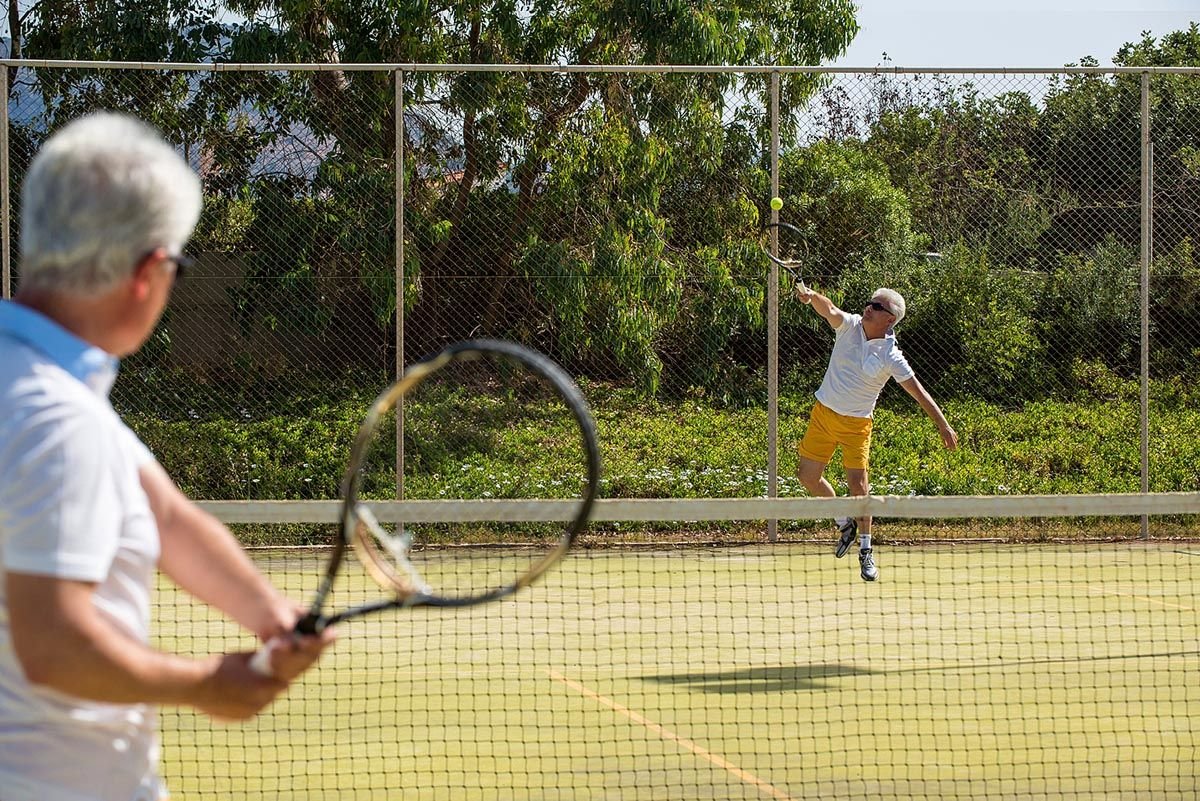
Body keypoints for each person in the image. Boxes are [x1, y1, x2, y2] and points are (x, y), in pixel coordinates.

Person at [0, 112, 335, 801]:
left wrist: (271, 614)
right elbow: (53, 644)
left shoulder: (43, 387)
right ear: (148, 272)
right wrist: (207, 685)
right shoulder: (58, 418)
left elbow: (168, 516)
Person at [794, 284, 957, 582]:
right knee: (807, 477)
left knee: (859, 487)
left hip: (856, 426)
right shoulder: (850, 325)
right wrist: (811, 296)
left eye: (877, 307)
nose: (869, 307)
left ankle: (866, 550)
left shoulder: (891, 356)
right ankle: (844, 522)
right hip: (823, 415)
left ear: (890, 319)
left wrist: (943, 424)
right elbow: (829, 309)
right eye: (870, 303)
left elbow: (919, 393)